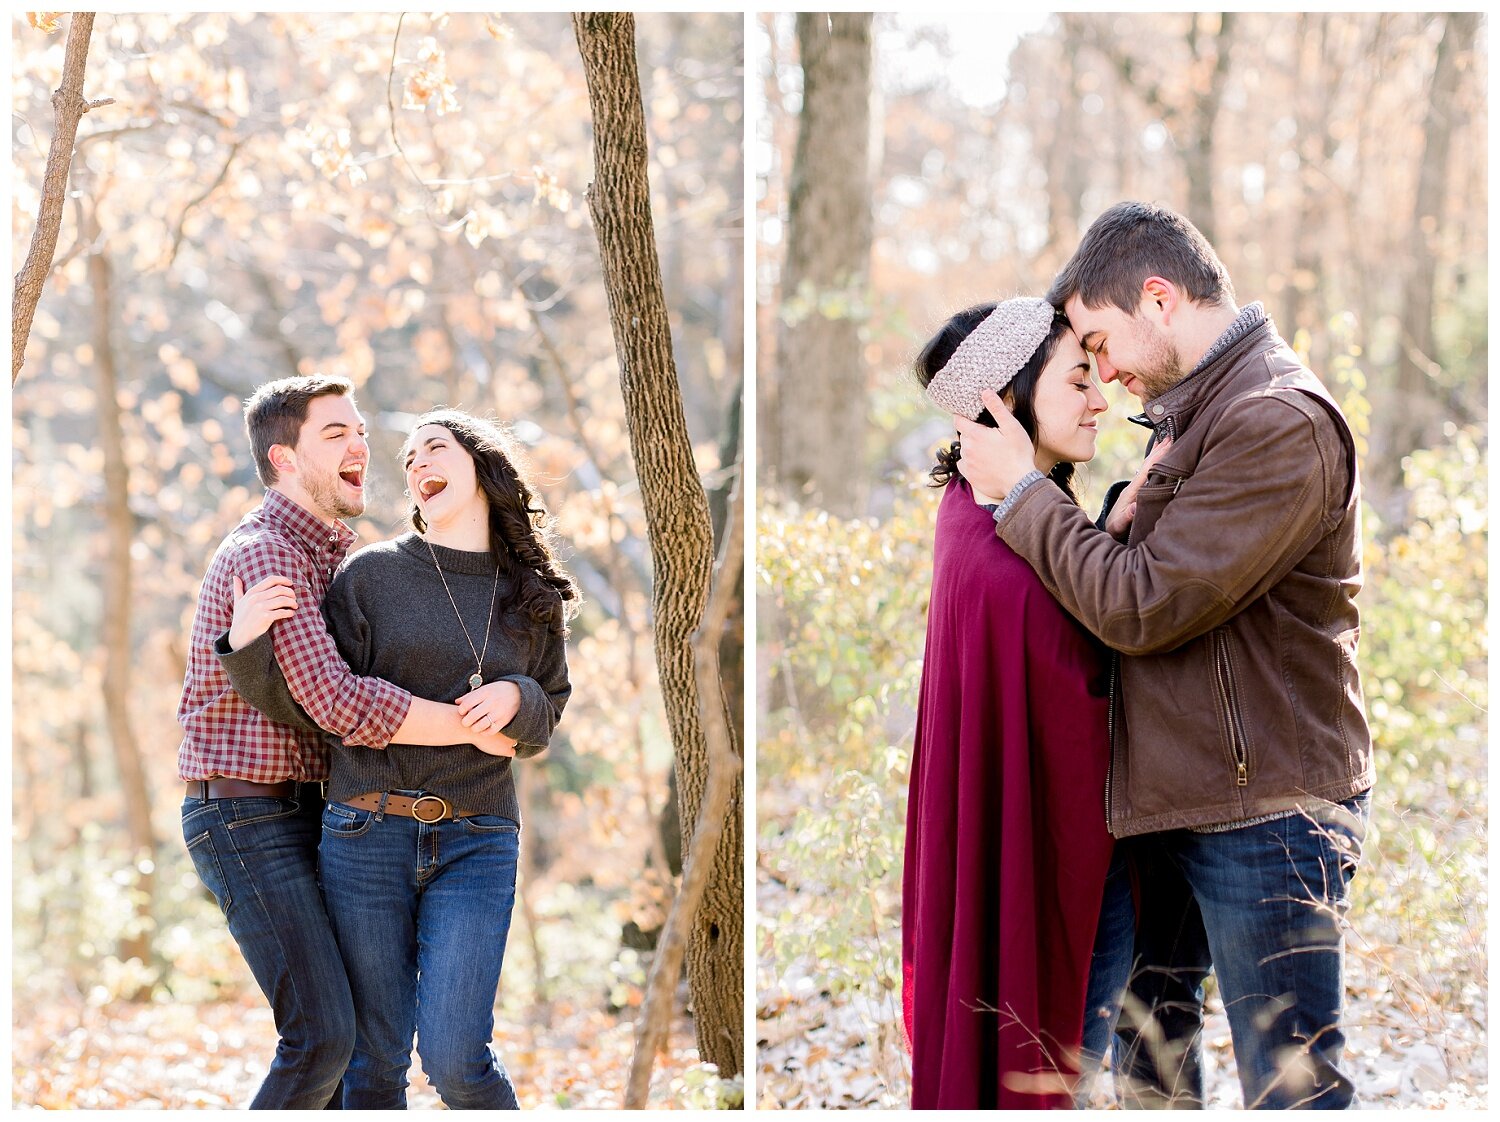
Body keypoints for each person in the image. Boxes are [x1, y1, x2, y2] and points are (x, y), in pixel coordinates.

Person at [954, 201, 1373, 1109]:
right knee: (1153, 1077)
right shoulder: (1196, 412)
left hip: (1268, 812)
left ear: (1159, 297)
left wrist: (1027, 493)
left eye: (1102, 344)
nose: (1103, 374)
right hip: (1172, 806)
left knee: (1292, 1088)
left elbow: (1144, 607)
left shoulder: (1276, 420)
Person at [176, 376, 518, 1110]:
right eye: (335, 434)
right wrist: (476, 727)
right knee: (323, 1038)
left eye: (361, 431)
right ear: (284, 458)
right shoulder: (267, 555)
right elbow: (334, 701)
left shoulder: (336, 560)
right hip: (245, 816)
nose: (362, 444)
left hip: (311, 812)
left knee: (352, 1046)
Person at [902, 297, 1148, 1108]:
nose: (1099, 399)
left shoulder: (989, 513)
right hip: (1059, 863)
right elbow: (1086, 672)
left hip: (1057, 850)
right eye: (1078, 379)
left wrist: (1108, 530)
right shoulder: (994, 543)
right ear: (1006, 401)